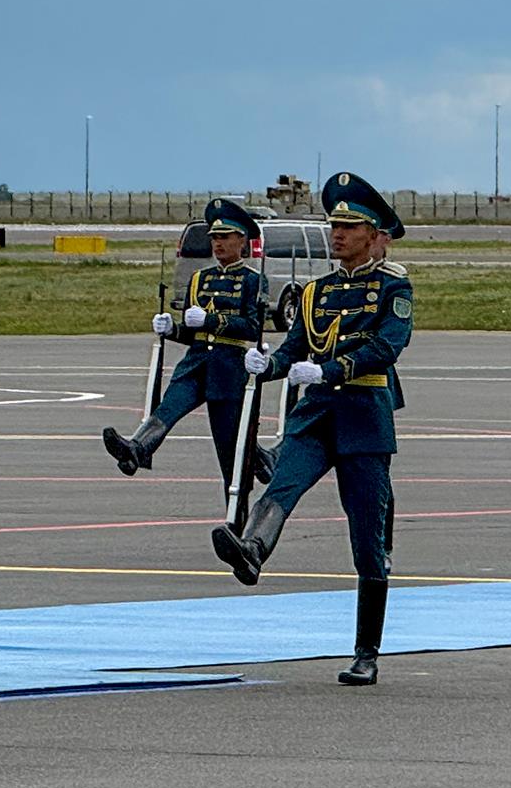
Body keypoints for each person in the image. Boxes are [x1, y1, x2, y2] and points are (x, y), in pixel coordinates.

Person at [210, 173, 412, 685]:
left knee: (368, 535)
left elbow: (386, 347)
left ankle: (366, 651)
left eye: (348, 226)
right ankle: (253, 550)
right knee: (283, 483)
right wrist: (269, 365)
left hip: (364, 415)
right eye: (334, 226)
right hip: (316, 412)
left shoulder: (393, 287)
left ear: (373, 233)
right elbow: (296, 345)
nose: (336, 235)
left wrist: (331, 370)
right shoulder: (317, 291)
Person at [103, 197, 269, 500]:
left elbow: (252, 328)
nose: (217, 244)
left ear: (241, 240)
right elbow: (191, 331)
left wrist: (213, 320)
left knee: (230, 449)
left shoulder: (252, 281)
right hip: (195, 363)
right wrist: (171, 329)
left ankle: (238, 512)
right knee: (167, 410)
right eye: (214, 238)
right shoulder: (199, 280)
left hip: (227, 366)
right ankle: (137, 448)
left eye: (224, 237)